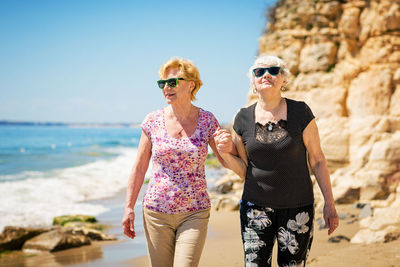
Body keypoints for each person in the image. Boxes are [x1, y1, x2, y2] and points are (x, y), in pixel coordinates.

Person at [214, 55, 339, 267]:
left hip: (297, 208)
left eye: (274, 70)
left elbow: (317, 161)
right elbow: (244, 170)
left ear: (283, 79)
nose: (266, 75)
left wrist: (330, 203)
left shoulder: (301, 112)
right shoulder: (242, 118)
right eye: (259, 72)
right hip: (255, 208)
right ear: (253, 81)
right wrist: (225, 153)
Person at [121, 57, 228, 267]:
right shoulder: (152, 120)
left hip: (194, 212)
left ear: (191, 84)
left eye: (173, 82)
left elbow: (225, 159)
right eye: (163, 83)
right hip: (156, 213)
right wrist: (128, 207)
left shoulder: (207, 120)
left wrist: (231, 146)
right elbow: (140, 166)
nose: (166, 88)